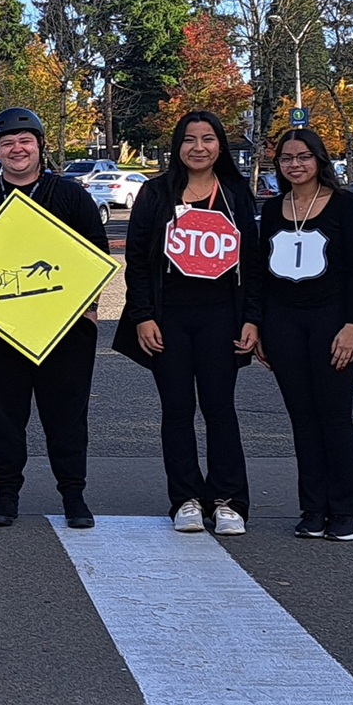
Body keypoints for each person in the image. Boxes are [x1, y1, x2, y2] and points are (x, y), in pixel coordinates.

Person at [0, 108, 110, 529]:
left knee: (67, 416)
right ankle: (6, 494)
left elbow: (96, 257)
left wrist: (89, 315)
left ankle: (73, 495)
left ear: (40, 145)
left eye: (25, 141)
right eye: (7, 143)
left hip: (66, 329)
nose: (17, 149)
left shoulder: (70, 197)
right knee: (3, 418)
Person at [121, 111, 262, 536]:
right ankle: (185, 499)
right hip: (169, 319)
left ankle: (228, 500)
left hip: (222, 318)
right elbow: (136, 261)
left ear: (220, 145)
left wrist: (252, 319)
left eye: (207, 138)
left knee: (220, 409)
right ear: (177, 146)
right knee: (177, 409)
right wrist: (143, 316)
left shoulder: (235, 193)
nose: (198, 147)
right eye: (189, 139)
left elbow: (254, 263)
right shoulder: (155, 193)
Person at [254, 129, 353, 542]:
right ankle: (314, 508)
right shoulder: (273, 209)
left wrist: (352, 325)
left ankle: (347, 508)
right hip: (284, 323)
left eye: (303, 156)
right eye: (286, 158)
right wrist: (261, 327)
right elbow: (261, 274)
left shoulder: (344, 204)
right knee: (302, 419)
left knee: (334, 417)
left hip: (333, 322)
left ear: (320, 160)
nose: (295, 165)